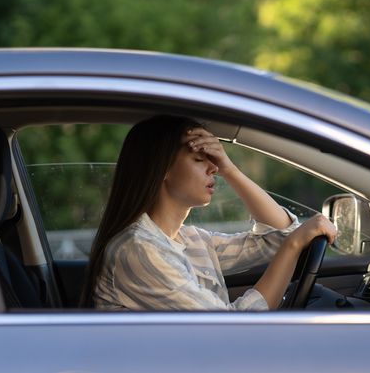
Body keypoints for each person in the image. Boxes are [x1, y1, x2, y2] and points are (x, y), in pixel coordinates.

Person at [80, 115, 336, 311]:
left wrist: (230, 169)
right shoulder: (137, 250)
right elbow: (227, 333)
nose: (214, 167)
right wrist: (294, 244)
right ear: (162, 169)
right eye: (199, 159)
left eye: (215, 161)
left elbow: (276, 237)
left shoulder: (191, 240)